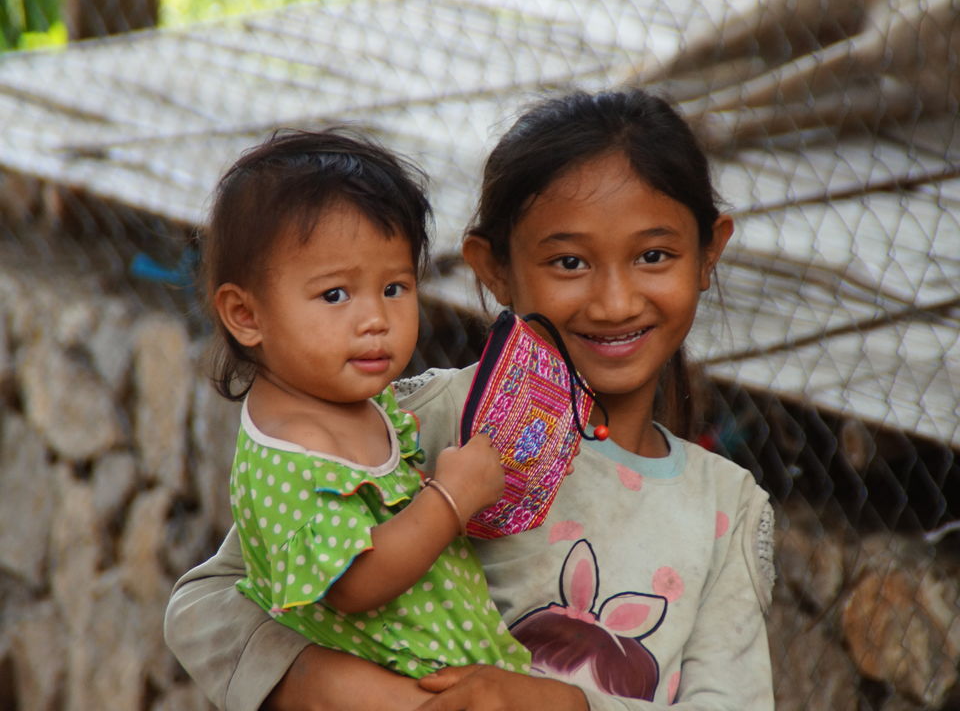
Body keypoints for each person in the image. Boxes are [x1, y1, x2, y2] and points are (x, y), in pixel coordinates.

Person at [165, 88, 777, 711]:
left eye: (653, 256)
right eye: (569, 262)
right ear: (494, 269)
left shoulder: (725, 510)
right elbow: (209, 601)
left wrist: (563, 705)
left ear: (709, 254)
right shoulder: (418, 423)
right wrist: (326, 685)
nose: (615, 302)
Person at [197, 128, 531, 686]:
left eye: (395, 288)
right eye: (335, 295)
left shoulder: (349, 402)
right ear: (246, 315)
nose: (375, 319)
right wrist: (451, 498)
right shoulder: (297, 449)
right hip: (409, 684)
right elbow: (355, 583)